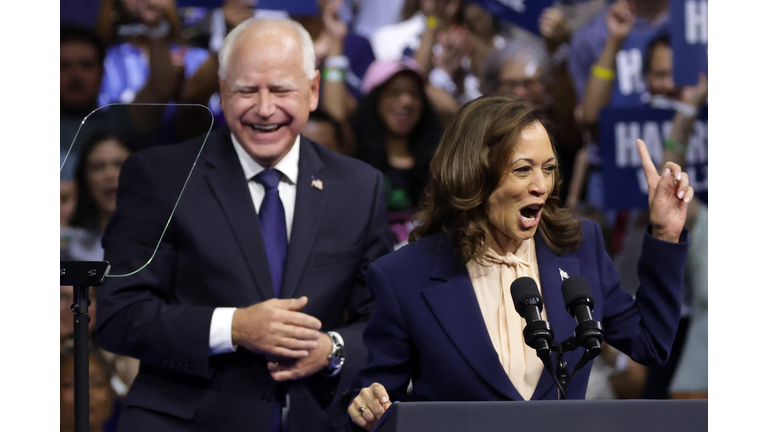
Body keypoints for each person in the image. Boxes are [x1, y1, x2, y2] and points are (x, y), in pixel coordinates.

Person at [95, 16, 393, 432]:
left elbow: (384, 321)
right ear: (222, 91)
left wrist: (331, 348)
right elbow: (118, 314)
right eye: (247, 90)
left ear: (312, 91)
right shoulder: (161, 177)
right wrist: (234, 327)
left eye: (282, 89)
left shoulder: (359, 187)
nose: (265, 108)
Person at [347, 95, 692, 430]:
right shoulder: (405, 277)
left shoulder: (578, 247)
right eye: (523, 169)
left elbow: (650, 342)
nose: (541, 185)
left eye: (549, 168)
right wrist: (365, 409)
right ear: (474, 174)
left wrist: (665, 233)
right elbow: (373, 403)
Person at [352, 58, 443, 247]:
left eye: (414, 94)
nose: (406, 100)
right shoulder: (353, 153)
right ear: (374, 100)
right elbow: (335, 114)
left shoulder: (437, 160)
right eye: (394, 92)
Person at [62, 131, 133, 262]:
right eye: (98, 167)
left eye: (119, 164)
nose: (109, 174)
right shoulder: (71, 244)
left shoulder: (160, 239)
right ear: (84, 179)